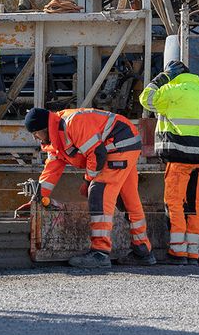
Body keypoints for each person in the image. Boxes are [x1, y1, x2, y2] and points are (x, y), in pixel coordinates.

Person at [24, 106, 154, 269]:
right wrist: (36, 199)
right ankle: (142, 251)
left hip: (118, 144)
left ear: (44, 128)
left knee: (99, 192)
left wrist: (88, 181)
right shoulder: (55, 139)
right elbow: (51, 171)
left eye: (35, 133)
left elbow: (97, 154)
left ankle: (100, 253)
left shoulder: (73, 124)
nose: (36, 138)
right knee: (128, 200)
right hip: (123, 144)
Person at [139, 60, 199, 264]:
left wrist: (160, 79)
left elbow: (146, 100)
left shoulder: (171, 90)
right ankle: (193, 253)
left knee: (175, 203)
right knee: (195, 205)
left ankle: (177, 252)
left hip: (179, 158)